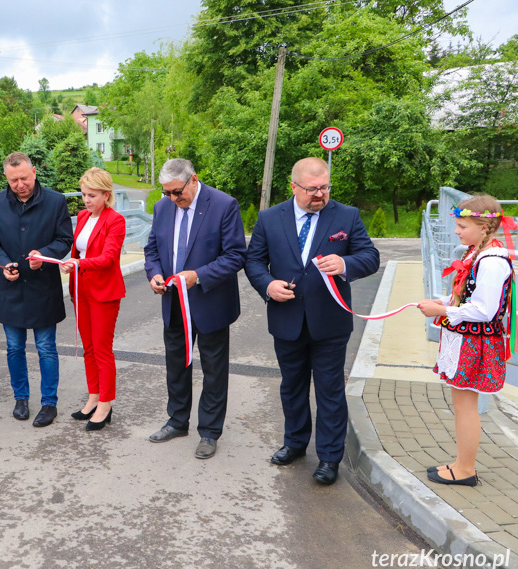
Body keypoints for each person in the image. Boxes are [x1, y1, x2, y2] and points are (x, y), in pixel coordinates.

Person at [245, 157, 379, 486]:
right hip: (286, 318)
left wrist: (346, 263)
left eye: (324, 188)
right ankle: (294, 443)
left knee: (330, 391)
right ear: (294, 187)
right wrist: (268, 284)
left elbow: (370, 256)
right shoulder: (269, 218)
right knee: (292, 387)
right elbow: (253, 261)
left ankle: (330, 457)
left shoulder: (346, 215)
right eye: (312, 189)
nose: (319, 194)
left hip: (330, 322)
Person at [144, 158, 247, 460]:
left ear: (193, 180)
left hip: (210, 301)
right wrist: (154, 274)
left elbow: (235, 256)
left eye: (178, 192)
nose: (174, 199)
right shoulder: (163, 207)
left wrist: (197, 275)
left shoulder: (223, 205)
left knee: (214, 370)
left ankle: (210, 432)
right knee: (176, 365)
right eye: (167, 193)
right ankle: (177, 421)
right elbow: (152, 248)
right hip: (173, 301)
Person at [418, 195, 513, 487]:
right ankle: (461, 462)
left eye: (462, 226)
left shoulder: (492, 261)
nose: (456, 232)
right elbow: (470, 296)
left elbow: (485, 310)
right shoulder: (478, 253)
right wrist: (444, 300)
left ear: (484, 228)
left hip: (476, 343)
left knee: (466, 406)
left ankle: (466, 469)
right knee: (462, 404)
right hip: (466, 339)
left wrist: (443, 310)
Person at [0, 152, 74, 427]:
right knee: (14, 348)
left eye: (24, 177)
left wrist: (43, 255)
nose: (20, 184)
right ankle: (20, 398)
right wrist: (2, 264)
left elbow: (64, 240)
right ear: (6, 178)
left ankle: (49, 403)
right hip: (11, 289)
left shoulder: (56, 201)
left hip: (43, 286)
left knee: (46, 348)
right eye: (13, 180)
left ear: (34, 172)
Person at [59, 168, 126, 431]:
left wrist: (79, 263)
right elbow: (79, 249)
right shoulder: (84, 216)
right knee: (88, 347)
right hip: (81, 289)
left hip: (104, 292)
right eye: (84, 195)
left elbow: (109, 258)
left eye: (92, 195)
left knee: (102, 349)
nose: (86, 200)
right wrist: (70, 264)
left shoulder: (115, 221)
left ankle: (106, 404)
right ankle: (94, 397)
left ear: (106, 195)